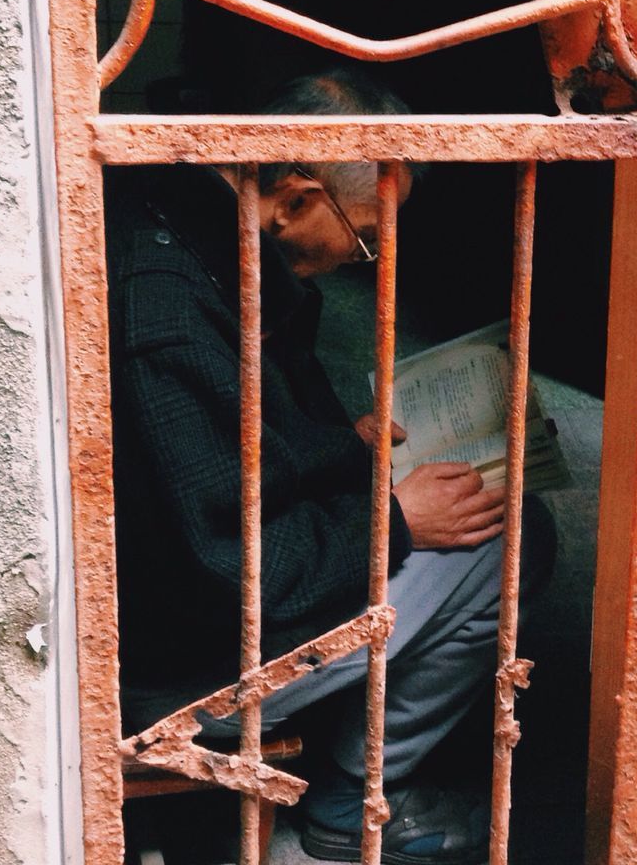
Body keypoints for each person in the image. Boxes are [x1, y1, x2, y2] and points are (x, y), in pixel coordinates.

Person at [106, 67, 556, 864]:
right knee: (509, 536)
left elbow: (228, 460)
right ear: (295, 198)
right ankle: (353, 807)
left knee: (453, 498)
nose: (368, 261)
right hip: (170, 674)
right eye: (365, 237)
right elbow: (227, 569)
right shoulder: (170, 312)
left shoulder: (191, 214)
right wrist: (396, 522)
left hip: (185, 603)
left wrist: (342, 445)